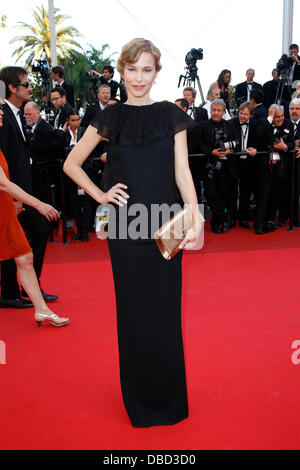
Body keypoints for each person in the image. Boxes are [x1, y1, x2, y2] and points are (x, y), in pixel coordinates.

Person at [64, 37, 202, 428]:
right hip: (126, 230)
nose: (138, 78)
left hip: (165, 227)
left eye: (147, 70)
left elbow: (182, 172)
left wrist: (194, 216)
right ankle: (140, 402)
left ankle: (170, 401)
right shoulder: (110, 117)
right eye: (132, 69)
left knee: (164, 314)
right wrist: (101, 195)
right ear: (121, 71)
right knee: (134, 314)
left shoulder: (170, 115)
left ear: (156, 74)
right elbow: (72, 163)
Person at [0, 107, 69, 327]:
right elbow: (2, 183)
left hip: (4, 211)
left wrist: (13, 202)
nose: (1, 113)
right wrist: (38, 204)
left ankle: (41, 310)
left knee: (24, 257)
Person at [0, 66, 57, 308]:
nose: (30, 88)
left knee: (20, 239)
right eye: (26, 85)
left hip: (21, 188)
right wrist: (14, 198)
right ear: (12, 88)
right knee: (19, 237)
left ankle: (22, 288)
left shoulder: (16, 113)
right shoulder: (2, 114)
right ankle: (12, 291)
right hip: (11, 192)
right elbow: (3, 158)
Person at [197, 99, 239, 233]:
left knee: (222, 194)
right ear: (210, 111)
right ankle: (224, 217)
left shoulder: (230, 125)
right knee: (210, 194)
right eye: (213, 110)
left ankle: (217, 221)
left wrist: (230, 150)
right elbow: (199, 144)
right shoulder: (202, 125)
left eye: (218, 110)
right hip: (208, 166)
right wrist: (212, 151)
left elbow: (236, 141)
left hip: (225, 167)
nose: (215, 113)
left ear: (224, 111)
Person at [254, 104, 294, 234]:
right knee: (264, 195)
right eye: (277, 117)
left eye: (282, 116)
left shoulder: (288, 124)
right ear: (271, 116)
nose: (280, 119)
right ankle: (259, 223)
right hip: (265, 167)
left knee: (276, 195)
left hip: (280, 167)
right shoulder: (263, 123)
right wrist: (270, 118)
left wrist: (285, 147)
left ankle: (270, 221)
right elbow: (260, 133)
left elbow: (292, 143)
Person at [230, 102, 258, 228]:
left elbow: (259, 141)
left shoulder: (255, 125)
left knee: (245, 191)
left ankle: (243, 218)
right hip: (234, 161)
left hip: (248, 163)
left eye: (246, 114)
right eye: (241, 113)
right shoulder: (231, 123)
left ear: (251, 115)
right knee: (232, 190)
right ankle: (231, 218)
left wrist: (255, 149)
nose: (242, 116)